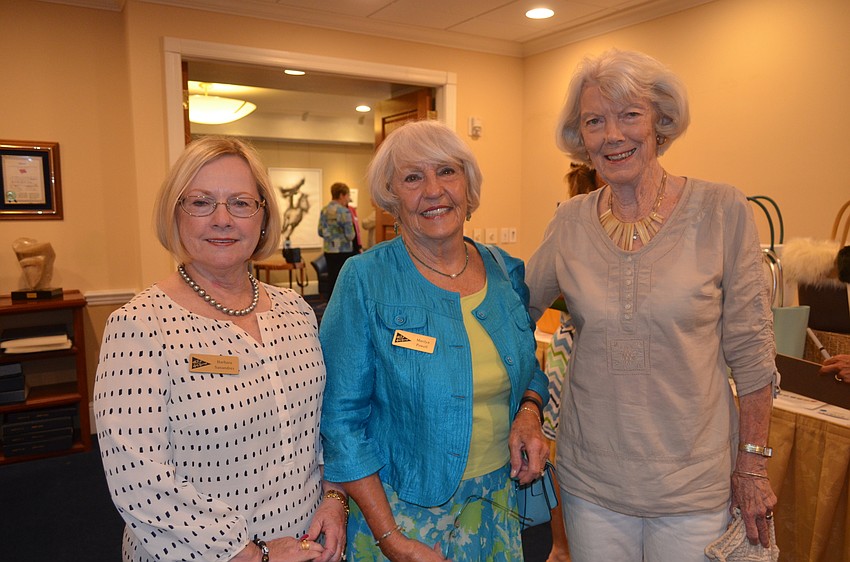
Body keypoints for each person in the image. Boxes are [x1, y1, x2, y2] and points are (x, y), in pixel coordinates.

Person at [526, 49, 778, 561]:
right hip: (591, 483)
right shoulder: (569, 222)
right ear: (581, 138)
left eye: (629, 115)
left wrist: (751, 466)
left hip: (693, 485)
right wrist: (528, 405)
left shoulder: (722, 210)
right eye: (594, 121)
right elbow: (512, 315)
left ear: (660, 122)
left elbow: (753, 353)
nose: (612, 135)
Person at [93, 136, 347, 562]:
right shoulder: (139, 326)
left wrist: (335, 498)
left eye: (241, 203)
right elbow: (139, 481)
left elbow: (324, 428)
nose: (222, 219)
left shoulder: (296, 311)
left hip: (309, 543)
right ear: (175, 214)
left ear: (263, 217)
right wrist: (253, 554)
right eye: (201, 202)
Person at [319, 120, 550, 561]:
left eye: (446, 171)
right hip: (403, 515)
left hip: (498, 504)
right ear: (391, 196)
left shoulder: (504, 271)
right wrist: (391, 538)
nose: (433, 190)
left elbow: (529, 369)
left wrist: (528, 411)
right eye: (412, 178)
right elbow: (341, 421)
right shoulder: (365, 279)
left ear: (468, 185)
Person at [318, 182, 356, 296]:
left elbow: (320, 231)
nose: (348, 199)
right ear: (341, 195)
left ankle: (331, 302)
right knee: (343, 280)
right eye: (347, 195)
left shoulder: (324, 210)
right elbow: (350, 235)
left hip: (329, 251)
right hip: (343, 252)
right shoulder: (344, 211)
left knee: (332, 279)